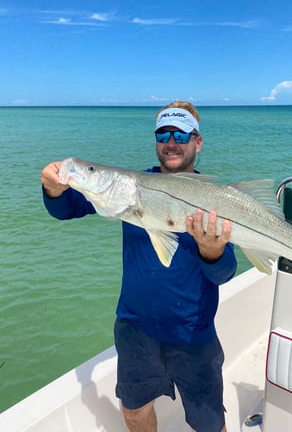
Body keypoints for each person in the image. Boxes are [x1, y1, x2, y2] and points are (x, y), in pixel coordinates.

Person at [41, 101, 237, 432]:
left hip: (192, 334)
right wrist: (52, 187)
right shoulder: (130, 187)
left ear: (197, 142)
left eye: (180, 134)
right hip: (134, 330)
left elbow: (224, 273)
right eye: (163, 134)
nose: (171, 142)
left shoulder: (214, 201)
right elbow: (65, 208)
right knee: (134, 411)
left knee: (209, 424)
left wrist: (211, 250)